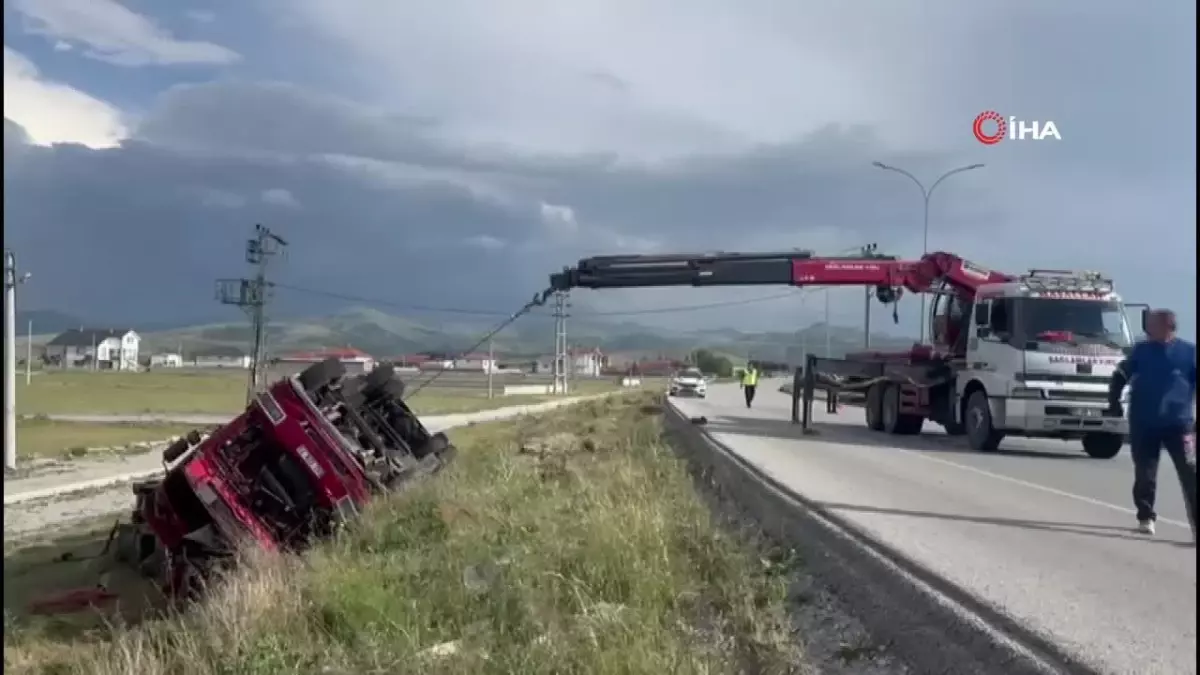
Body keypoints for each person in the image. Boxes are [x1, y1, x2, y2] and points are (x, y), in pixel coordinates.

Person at [1107, 308, 1197, 538]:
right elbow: (1121, 374)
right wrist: (1113, 400)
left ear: (1167, 326)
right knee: (1145, 474)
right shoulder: (1142, 350)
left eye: (1153, 324)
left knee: (1190, 473)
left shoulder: (1189, 353)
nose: (1148, 329)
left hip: (1180, 424)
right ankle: (1146, 516)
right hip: (1144, 421)